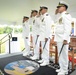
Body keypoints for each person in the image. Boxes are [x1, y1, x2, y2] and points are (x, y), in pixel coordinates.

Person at [54, 1, 72, 75]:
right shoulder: (60, 16)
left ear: (64, 7)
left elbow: (67, 28)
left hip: (63, 39)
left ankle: (65, 70)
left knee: (63, 55)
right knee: (60, 54)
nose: (58, 8)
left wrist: (65, 39)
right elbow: (55, 22)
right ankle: (61, 68)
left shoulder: (66, 15)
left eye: (59, 7)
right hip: (59, 38)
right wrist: (56, 13)